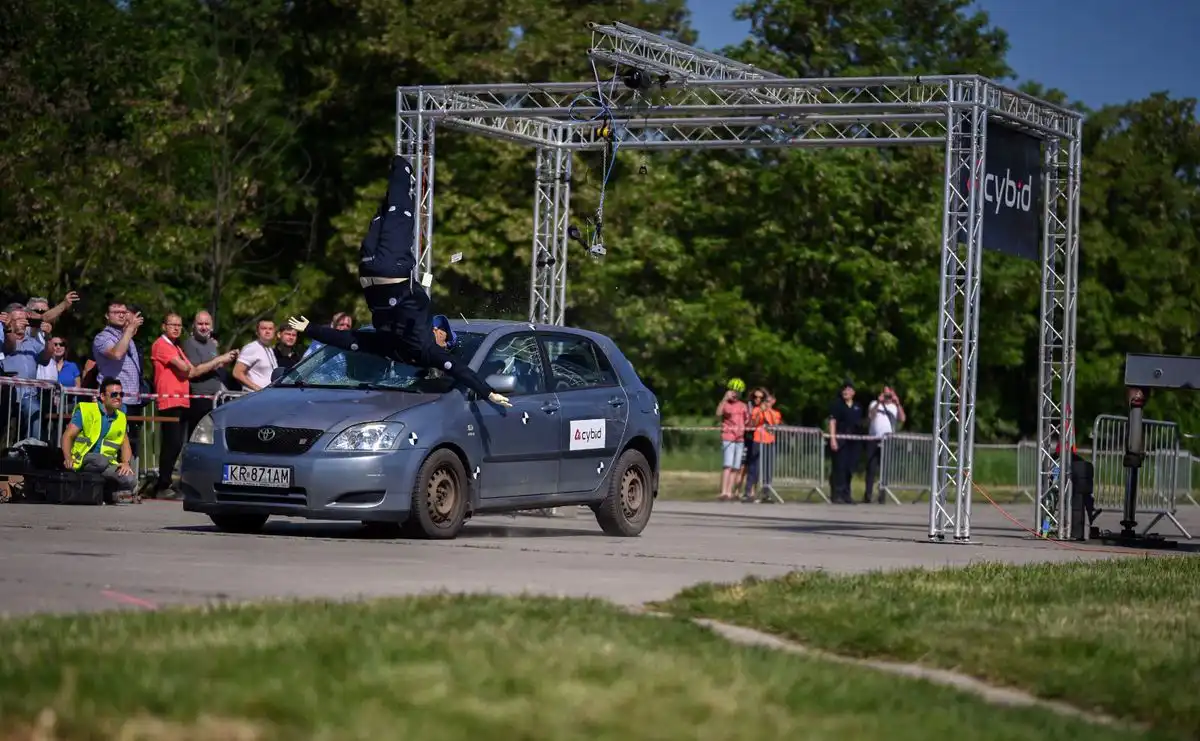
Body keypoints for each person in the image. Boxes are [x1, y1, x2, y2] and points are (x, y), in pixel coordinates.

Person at [287, 155, 510, 407]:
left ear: (444, 345)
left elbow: (460, 370)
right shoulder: (394, 347)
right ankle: (398, 169)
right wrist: (311, 330)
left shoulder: (421, 350)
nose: (438, 330)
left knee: (397, 212)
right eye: (439, 328)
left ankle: (402, 164)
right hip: (374, 275)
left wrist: (311, 330)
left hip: (386, 269)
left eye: (442, 333)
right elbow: (353, 341)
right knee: (387, 213)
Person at [60, 377, 138, 503]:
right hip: (83, 460)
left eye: (121, 394)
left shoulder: (121, 417)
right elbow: (67, 436)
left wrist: (125, 463)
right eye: (114, 394)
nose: (118, 397)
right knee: (100, 460)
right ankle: (109, 492)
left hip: (107, 464)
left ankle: (106, 493)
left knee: (130, 479)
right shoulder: (87, 411)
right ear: (102, 396)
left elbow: (125, 444)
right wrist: (68, 457)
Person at [715, 378, 749, 501]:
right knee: (727, 465)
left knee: (735, 466)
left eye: (737, 392)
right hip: (728, 437)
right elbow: (718, 413)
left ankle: (730, 491)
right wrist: (724, 399)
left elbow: (747, 420)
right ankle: (724, 491)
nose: (735, 394)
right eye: (733, 391)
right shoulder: (726, 405)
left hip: (739, 439)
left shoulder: (743, 406)